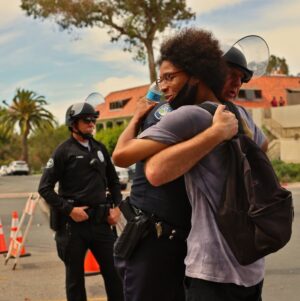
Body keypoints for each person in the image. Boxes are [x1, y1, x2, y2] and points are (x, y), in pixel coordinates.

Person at [114, 28, 267, 301]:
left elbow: (262, 149)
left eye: (241, 79)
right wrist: (137, 118)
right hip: (156, 237)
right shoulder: (176, 112)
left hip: (193, 241)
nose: (235, 84)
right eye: (229, 74)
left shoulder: (238, 115)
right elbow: (132, 160)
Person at [38, 102, 124, 301]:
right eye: (87, 120)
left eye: (93, 120)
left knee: (115, 274)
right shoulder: (63, 151)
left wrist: (117, 208)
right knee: (75, 280)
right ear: (73, 123)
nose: (92, 123)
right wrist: (69, 210)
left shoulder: (100, 148)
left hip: (102, 223)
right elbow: (44, 188)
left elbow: (114, 182)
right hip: (73, 227)